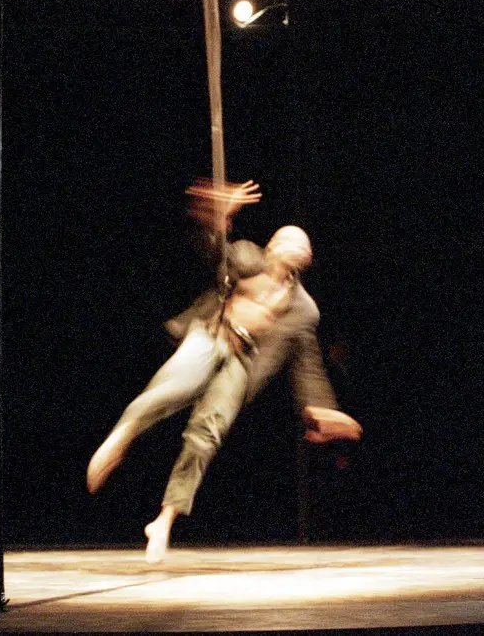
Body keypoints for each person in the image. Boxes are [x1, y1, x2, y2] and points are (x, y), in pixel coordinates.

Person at [86, 179, 360, 563]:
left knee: (206, 435)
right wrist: (217, 217)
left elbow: (307, 366)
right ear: (272, 245)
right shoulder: (247, 257)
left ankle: (163, 522)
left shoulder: (303, 309)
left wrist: (321, 410)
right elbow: (213, 253)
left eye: (304, 246)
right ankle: (122, 436)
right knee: (173, 390)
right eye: (289, 241)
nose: (297, 248)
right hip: (212, 335)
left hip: (241, 362)